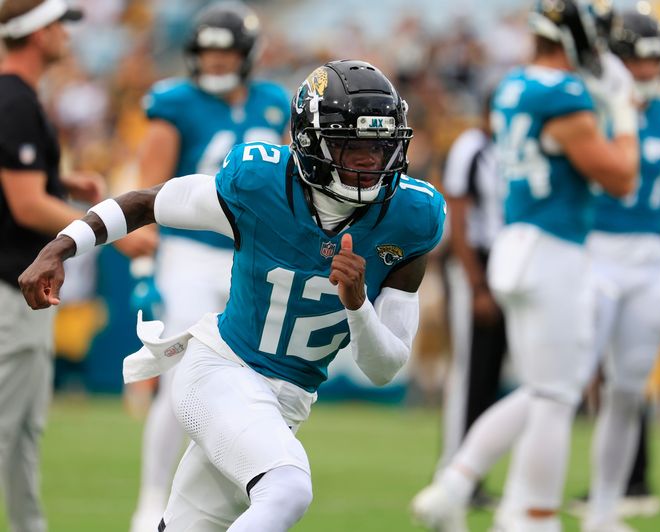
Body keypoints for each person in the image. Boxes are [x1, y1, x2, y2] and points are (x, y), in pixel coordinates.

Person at [19, 59, 445, 531]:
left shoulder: (412, 216)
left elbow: (384, 368)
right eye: (352, 147)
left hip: (289, 401)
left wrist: (357, 305)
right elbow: (148, 203)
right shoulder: (260, 184)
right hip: (221, 369)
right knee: (286, 488)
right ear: (310, 142)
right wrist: (60, 247)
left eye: (381, 147)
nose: (371, 163)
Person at [411, 0, 639, 529]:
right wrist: (623, 113)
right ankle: (533, 516)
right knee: (556, 398)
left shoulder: (514, 85)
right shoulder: (561, 95)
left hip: (519, 242)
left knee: (542, 389)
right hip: (553, 249)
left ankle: (458, 480)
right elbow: (622, 178)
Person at [127, 3, 291, 530]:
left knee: (255, 383)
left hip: (251, 259)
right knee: (181, 379)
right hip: (191, 254)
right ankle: (151, 499)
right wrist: (144, 265)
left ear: (247, 55)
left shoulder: (272, 101)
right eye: (208, 52)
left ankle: (225, 495)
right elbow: (148, 191)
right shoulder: (175, 103)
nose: (216, 62)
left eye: (226, 52)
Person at [0, 1, 155, 530]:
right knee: (7, 430)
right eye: (59, 24)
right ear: (38, 34)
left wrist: (63, 182)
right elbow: (23, 204)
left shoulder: (18, 99)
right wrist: (100, 229)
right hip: (9, 295)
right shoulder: (13, 99)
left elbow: (19, 184)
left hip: (16, 293)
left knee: (22, 433)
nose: (67, 34)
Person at [582, 10, 660, 531]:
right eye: (636, 58)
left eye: (653, 57)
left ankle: (603, 508)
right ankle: (469, 480)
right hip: (595, 248)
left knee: (627, 391)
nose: (646, 68)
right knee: (561, 385)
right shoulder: (594, 106)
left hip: (648, 258)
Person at [437, 92, 505, 506]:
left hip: (508, 260)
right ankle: (453, 471)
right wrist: (476, 283)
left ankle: (473, 474)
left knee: (491, 377)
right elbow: (458, 219)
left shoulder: (512, 148)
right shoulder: (471, 148)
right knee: (468, 374)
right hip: (476, 263)